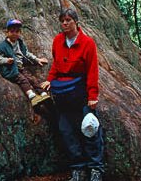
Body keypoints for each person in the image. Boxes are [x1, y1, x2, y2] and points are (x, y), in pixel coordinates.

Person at [41, 9, 105, 181]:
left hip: (81, 92)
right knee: (66, 131)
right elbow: (56, 63)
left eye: (68, 20)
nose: (65, 23)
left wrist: (93, 95)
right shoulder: (58, 41)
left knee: (90, 129)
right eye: (62, 20)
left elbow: (92, 71)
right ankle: (77, 169)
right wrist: (50, 79)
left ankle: (96, 169)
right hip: (63, 94)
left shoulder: (87, 43)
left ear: (76, 22)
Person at [0, 19, 51, 107]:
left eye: (17, 31)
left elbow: (26, 53)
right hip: (11, 69)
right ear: (7, 32)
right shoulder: (3, 46)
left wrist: (37, 59)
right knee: (23, 80)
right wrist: (6, 60)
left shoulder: (19, 43)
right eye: (12, 31)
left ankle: (43, 93)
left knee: (32, 79)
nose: (14, 33)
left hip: (20, 67)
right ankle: (32, 96)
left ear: (20, 32)